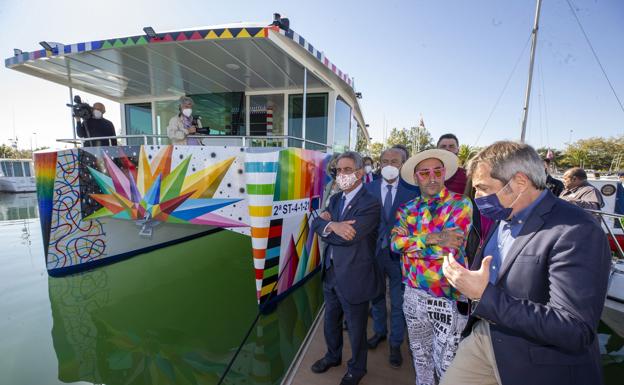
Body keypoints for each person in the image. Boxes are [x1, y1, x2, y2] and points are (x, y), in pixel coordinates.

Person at [440, 141, 611, 385]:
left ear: (519, 182)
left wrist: (483, 294)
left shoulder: (577, 230)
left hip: (537, 362)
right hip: (485, 336)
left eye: (483, 188)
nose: (476, 197)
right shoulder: (505, 213)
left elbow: (574, 328)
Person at [390, 149, 472, 385]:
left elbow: (451, 248)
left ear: (445, 173)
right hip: (413, 295)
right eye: (425, 173)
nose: (432, 177)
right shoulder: (407, 209)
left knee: (448, 365)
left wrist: (413, 244)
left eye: (437, 171)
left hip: (448, 296)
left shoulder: (460, 203)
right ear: (416, 178)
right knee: (421, 358)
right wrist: (433, 238)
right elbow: (395, 244)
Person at [310, 151, 382, 385]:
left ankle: (357, 369)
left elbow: (348, 238)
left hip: (355, 276)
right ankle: (332, 356)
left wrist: (329, 227)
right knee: (330, 321)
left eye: (347, 170)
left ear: (360, 173)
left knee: (356, 327)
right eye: (339, 170)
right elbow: (316, 224)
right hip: (331, 273)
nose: (341, 175)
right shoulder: (336, 199)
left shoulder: (370, 204)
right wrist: (333, 224)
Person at [365, 148, 420, 368]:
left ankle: (396, 343)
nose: (390, 165)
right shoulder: (368, 188)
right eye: (385, 161)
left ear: (404, 164)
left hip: (400, 257)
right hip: (374, 254)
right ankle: (379, 332)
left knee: (398, 302)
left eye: (395, 161)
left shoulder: (413, 191)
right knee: (377, 297)